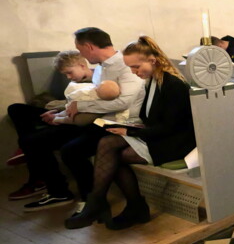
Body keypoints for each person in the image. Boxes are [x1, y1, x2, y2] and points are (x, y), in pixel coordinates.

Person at [65, 36, 196, 230]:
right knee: (108, 143)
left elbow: (170, 127)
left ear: (152, 61)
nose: (134, 72)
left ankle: (110, 204)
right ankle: (117, 204)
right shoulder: (152, 81)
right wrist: (131, 127)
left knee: (112, 153)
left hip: (174, 142)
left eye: (136, 67)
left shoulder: (173, 85)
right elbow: (149, 118)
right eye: (131, 68)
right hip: (158, 134)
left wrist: (130, 131)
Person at [20, 28, 145, 213]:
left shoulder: (125, 65)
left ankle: (90, 201)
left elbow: (123, 102)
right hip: (96, 120)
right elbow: (92, 98)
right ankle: (58, 192)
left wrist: (81, 107)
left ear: (89, 47)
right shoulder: (100, 68)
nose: (81, 54)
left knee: (71, 151)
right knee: (34, 141)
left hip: (117, 122)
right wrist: (63, 110)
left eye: (80, 49)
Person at [7, 51, 93, 201]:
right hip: (66, 114)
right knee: (16, 109)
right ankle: (29, 156)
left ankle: (56, 190)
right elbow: (72, 103)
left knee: (30, 142)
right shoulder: (77, 82)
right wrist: (56, 110)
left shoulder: (99, 80)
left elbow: (87, 111)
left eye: (69, 73)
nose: (68, 77)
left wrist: (58, 118)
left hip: (77, 123)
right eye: (65, 74)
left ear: (82, 65)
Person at [52, 80, 124, 125]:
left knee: (71, 116)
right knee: (66, 112)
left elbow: (76, 95)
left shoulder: (91, 94)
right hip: (74, 103)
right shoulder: (100, 93)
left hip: (75, 103)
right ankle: (56, 117)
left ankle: (56, 118)